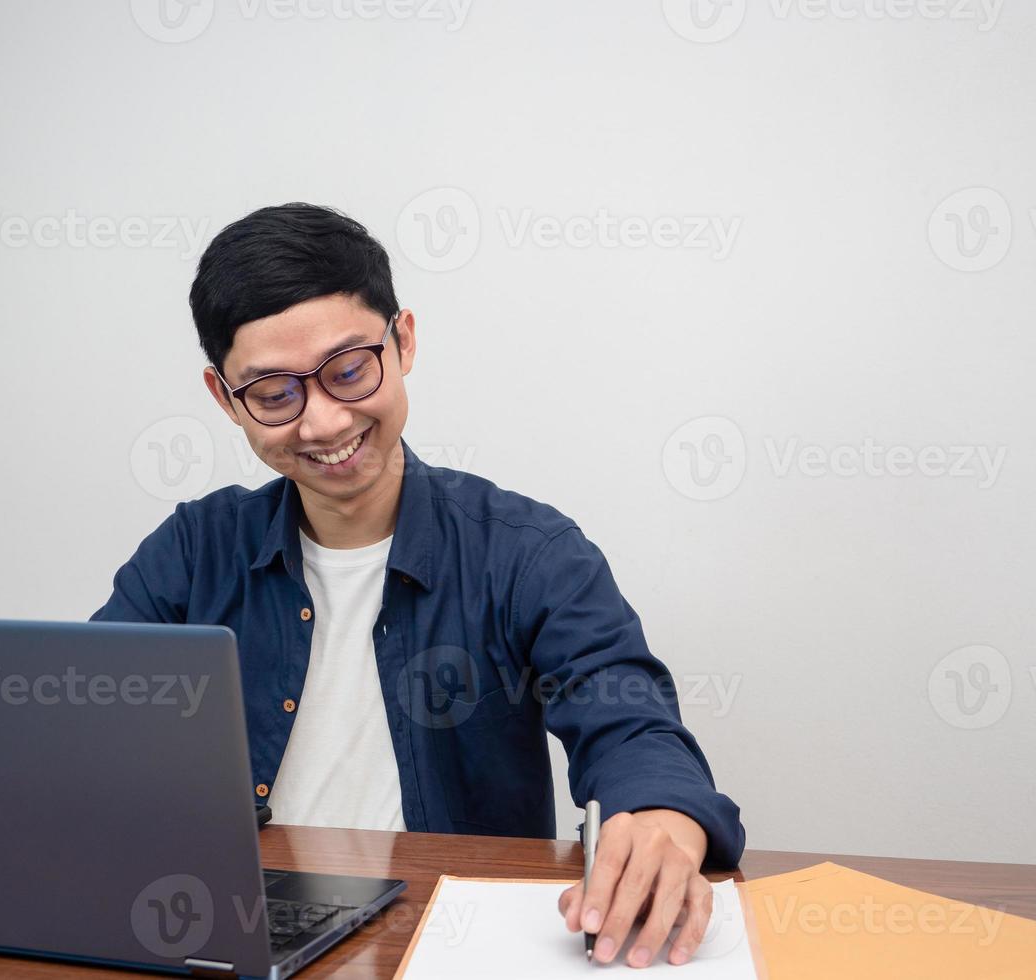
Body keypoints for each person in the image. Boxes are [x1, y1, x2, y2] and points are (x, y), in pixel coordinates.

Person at [91, 202, 745, 968]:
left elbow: (629, 719)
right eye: (274, 393)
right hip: (231, 936)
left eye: (347, 371)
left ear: (402, 341)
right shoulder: (193, 552)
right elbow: (89, 733)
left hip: (454, 944)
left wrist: (660, 816)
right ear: (223, 398)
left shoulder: (526, 554)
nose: (324, 422)